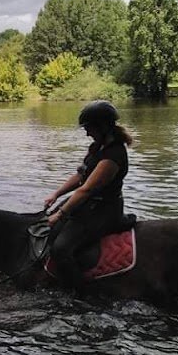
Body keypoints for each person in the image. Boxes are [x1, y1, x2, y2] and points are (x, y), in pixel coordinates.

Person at [44, 100, 133, 290]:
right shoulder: (97, 148)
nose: (86, 132)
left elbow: (86, 189)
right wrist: (56, 194)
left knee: (61, 249)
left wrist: (60, 214)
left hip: (104, 211)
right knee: (48, 231)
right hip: (90, 205)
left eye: (89, 128)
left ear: (102, 126)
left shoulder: (113, 155)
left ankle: (81, 294)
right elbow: (80, 175)